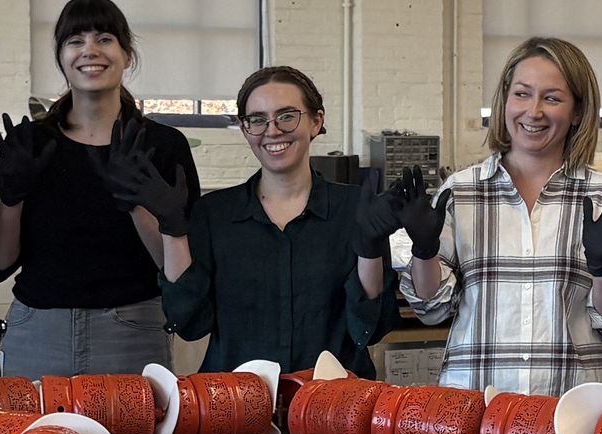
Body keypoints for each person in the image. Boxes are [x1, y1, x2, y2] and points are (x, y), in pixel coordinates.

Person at [113, 65, 403, 377]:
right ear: (244, 128)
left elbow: (369, 329)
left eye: (287, 115)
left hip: (333, 409)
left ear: (316, 121)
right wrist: (172, 228)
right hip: (236, 410)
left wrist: (370, 250)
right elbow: (189, 322)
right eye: (257, 119)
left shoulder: (356, 208)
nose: (272, 130)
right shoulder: (215, 213)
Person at [398, 37, 602, 395]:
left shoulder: (601, 195)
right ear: (505, 100)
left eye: (552, 98)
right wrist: (424, 250)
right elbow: (431, 309)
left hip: (570, 409)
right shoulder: (461, 190)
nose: (534, 111)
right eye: (522, 94)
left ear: (577, 112)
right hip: (473, 408)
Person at [0, 0, 199, 377]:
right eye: (75, 41)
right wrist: (11, 197)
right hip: (37, 330)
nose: (90, 51)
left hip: (133, 331)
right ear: (61, 57)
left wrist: (135, 203)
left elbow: (174, 268)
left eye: (104, 39)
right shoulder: (31, 144)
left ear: (127, 55)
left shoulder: (163, 146)